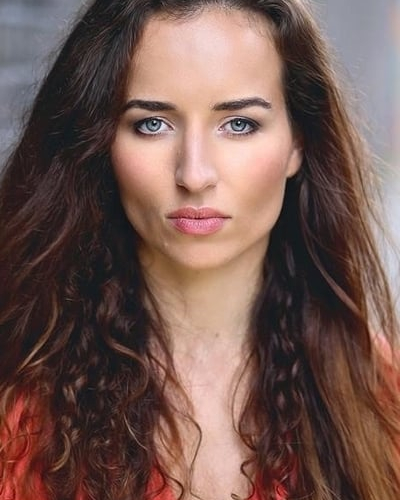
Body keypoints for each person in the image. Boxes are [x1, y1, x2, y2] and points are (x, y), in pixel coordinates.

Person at [0, 0, 399, 499]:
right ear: (100, 142)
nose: (194, 174)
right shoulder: (21, 397)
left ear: (298, 142)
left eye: (239, 124)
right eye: (152, 123)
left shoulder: (378, 392)